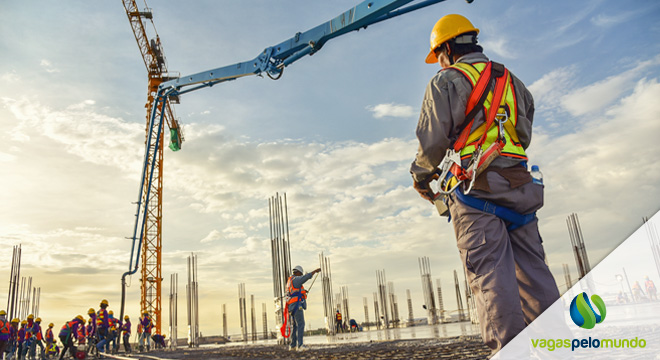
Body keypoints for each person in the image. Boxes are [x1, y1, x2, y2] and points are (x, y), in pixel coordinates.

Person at [410, 14, 560, 356]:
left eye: (439, 56)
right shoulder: (513, 81)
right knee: (535, 274)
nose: (440, 63)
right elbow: (522, 135)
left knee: (492, 279)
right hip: (521, 186)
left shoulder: (446, 80)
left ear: (447, 48)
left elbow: (431, 143)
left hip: (476, 190)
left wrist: (420, 176)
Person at [286, 265, 320, 351]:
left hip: (291, 307)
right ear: (297, 273)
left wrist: (303, 291)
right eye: (300, 274)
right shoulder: (296, 279)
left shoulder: (290, 281)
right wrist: (315, 271)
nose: (301, 276)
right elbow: (305, 277)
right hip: (297, 306)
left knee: (295, 326)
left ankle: (293, 345)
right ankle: (300, 345)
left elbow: (294, 292)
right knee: (301, 324)